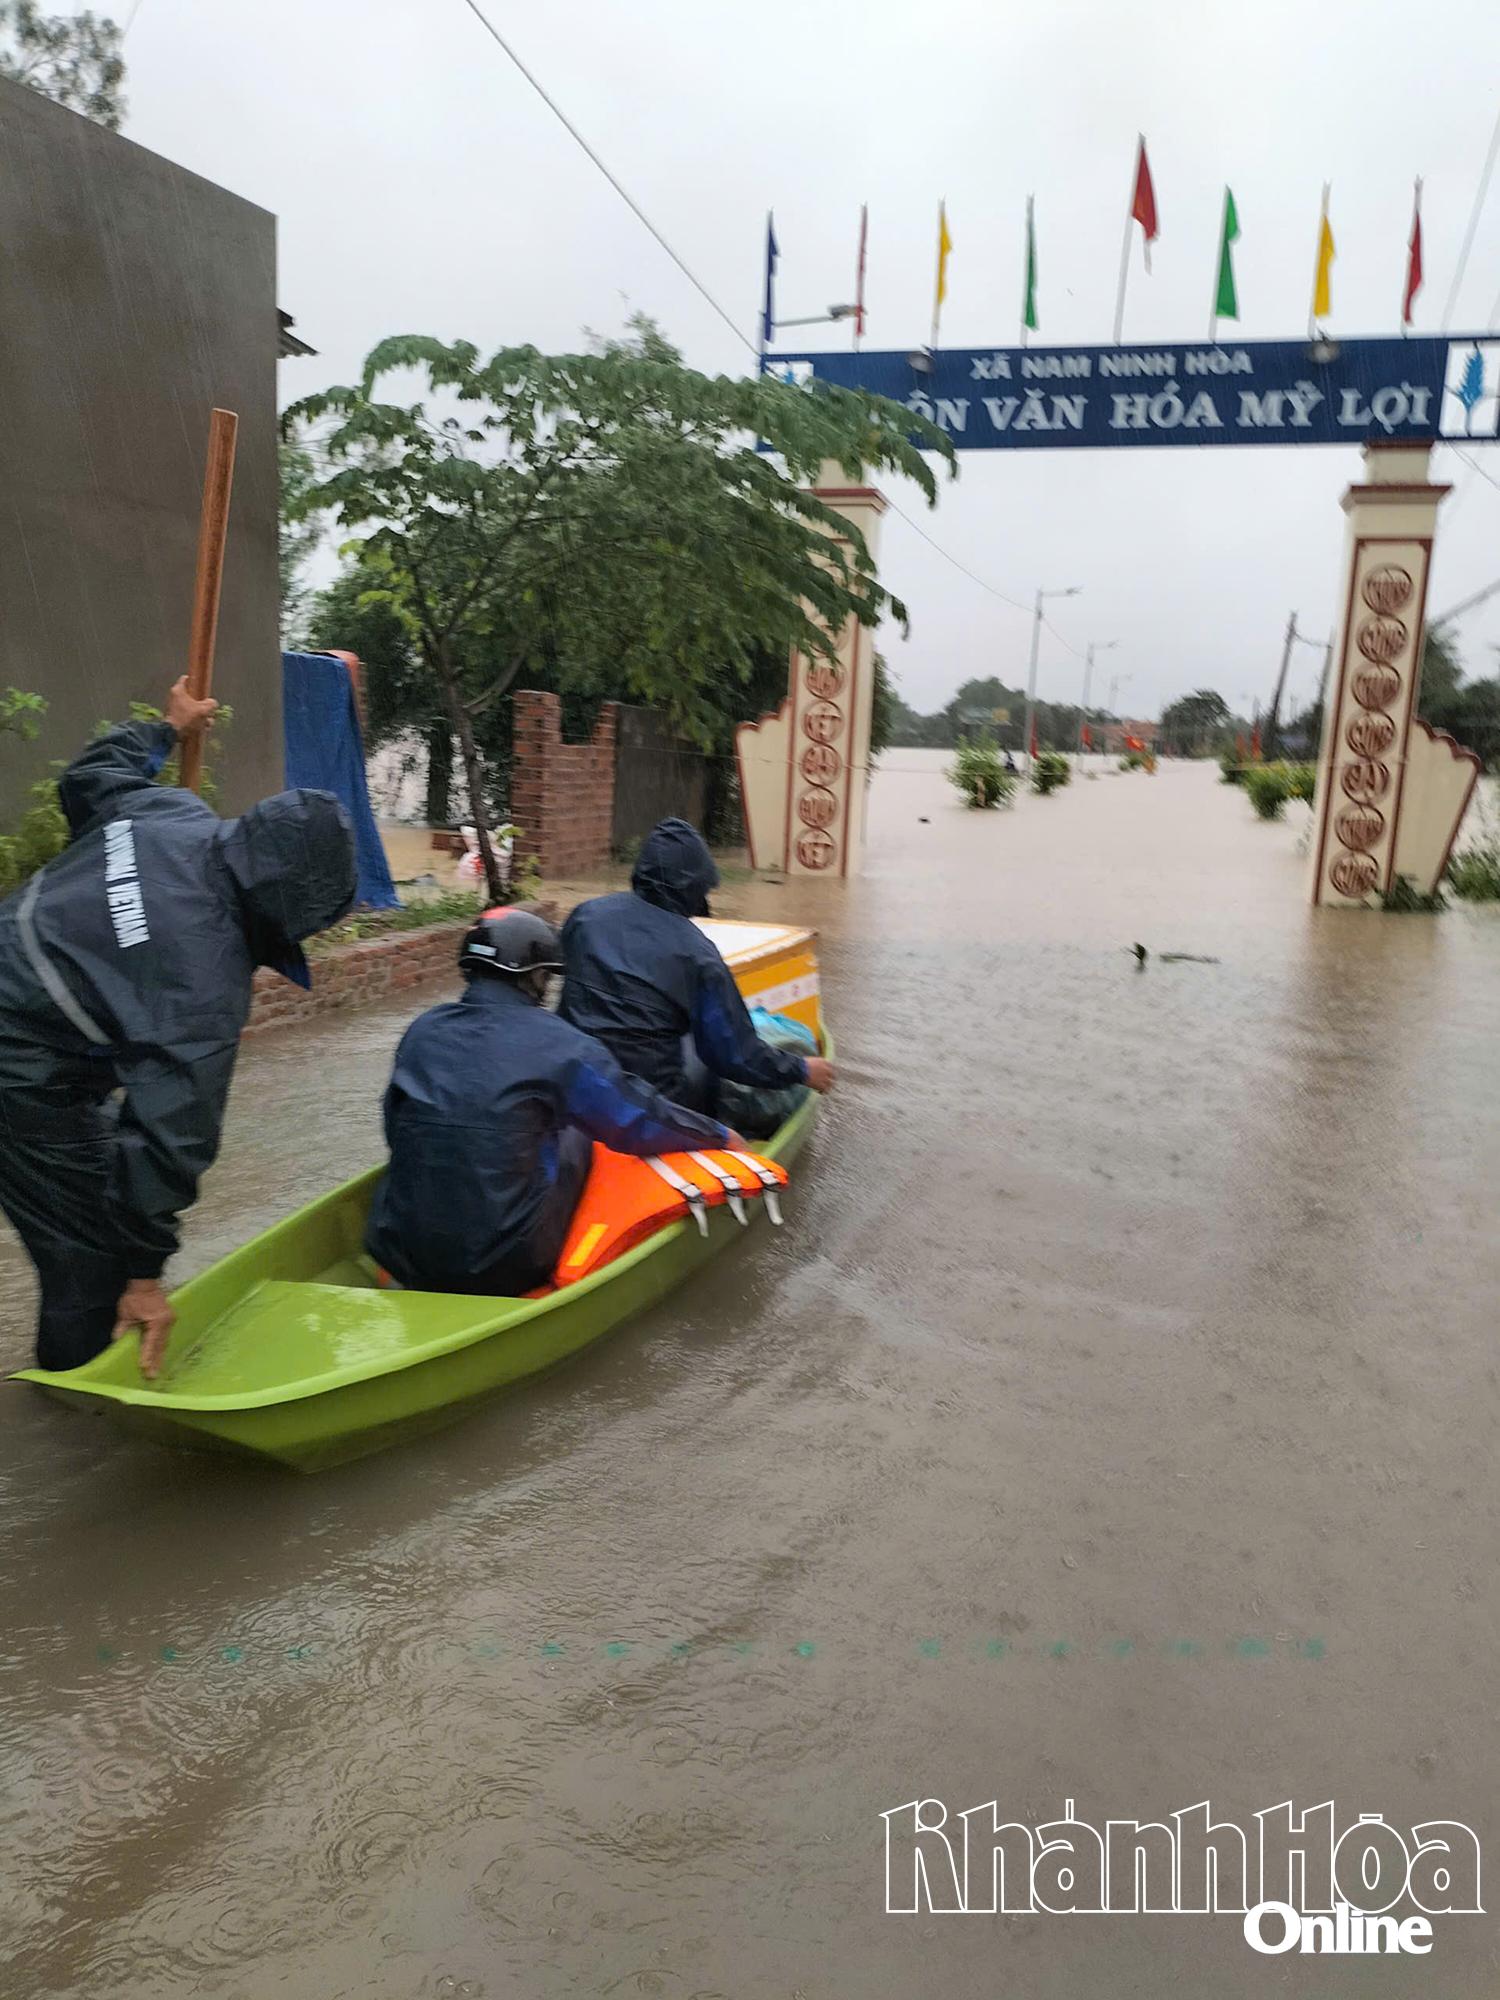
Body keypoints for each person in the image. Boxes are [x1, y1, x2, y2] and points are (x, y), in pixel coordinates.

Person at [0, 679, 357, 1377]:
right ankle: (71, 1409)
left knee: (109, 1177)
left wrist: (167, 727)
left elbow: (89, 777)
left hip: (32, 1025)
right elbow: (172, 1138)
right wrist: (141, 1277)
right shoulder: (204, 983)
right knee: (95, 1263)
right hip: (19, 1067)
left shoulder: (169, 809)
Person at [365, 908, 747, 1297]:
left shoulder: (422, 1031)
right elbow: (635, 1120)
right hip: (506, 1265)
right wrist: (716, 1134)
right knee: (580, 1129)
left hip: (400, 1252)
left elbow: (394, 1129)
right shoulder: (561, 1043)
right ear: (536, 977)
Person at [559, 818, 835, 1113]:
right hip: (653, 1106)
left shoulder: (584, 917)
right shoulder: (698, 955)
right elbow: (736, 1055)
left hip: (572, 1081)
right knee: (711, 1065)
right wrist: (801, 1070)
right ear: (696, 887)